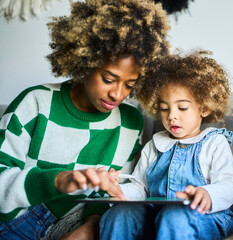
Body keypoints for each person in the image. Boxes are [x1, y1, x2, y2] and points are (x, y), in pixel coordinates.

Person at [0, 0, 170, 239]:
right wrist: (59, 180)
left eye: (129, 85)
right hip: (16, 219)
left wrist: (92, 224)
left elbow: (113, 190)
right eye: (109, 79)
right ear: (85, 61)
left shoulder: (131, 121)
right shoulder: (36, 102)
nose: (117, 94)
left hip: (74, 223)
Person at [99, 50, 233, 239]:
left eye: (182, 107)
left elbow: (230, 184)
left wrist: (208, 194)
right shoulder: (155, 144)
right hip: (156, 214)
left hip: (201, 216)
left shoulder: (214, 142)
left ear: (204, 107)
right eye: (164, 108)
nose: (171, 115)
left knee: (174, 217)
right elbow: (140, 188)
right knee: (118, 214)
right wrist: (117, 190)